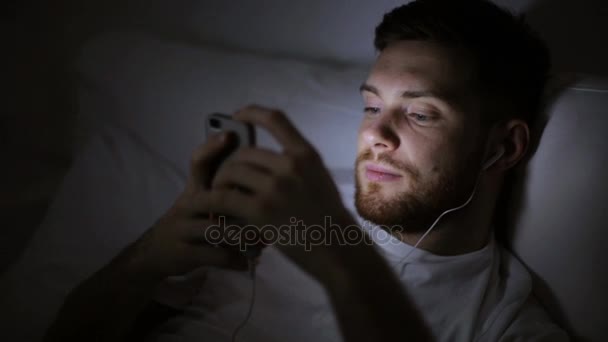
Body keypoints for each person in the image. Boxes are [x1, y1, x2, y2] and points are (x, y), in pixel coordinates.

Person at [39, 0, 569, 341]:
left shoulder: (505, 327)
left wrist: (342, 261)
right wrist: (146, 259)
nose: (374, 136)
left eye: (420, 113)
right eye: (370, 106)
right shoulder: (275, 220)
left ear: (503, 147)